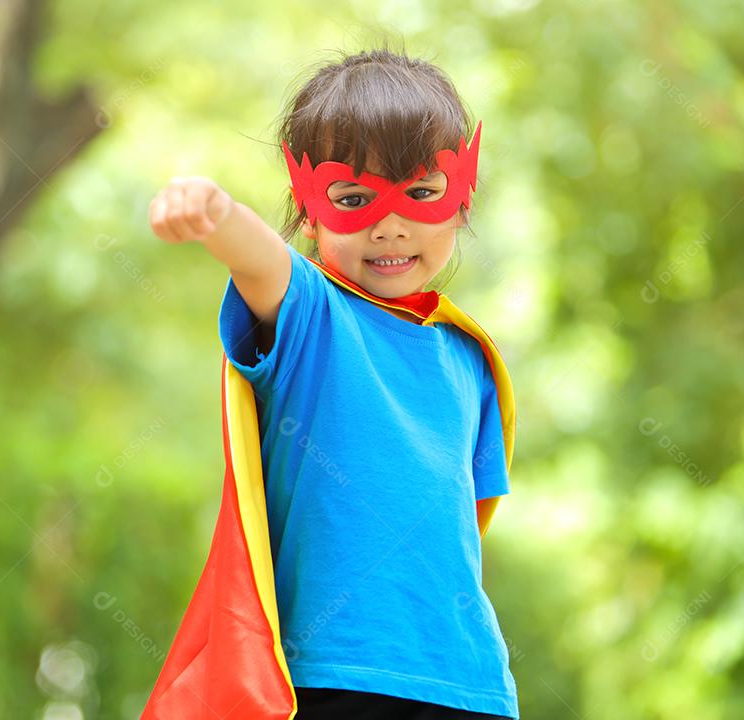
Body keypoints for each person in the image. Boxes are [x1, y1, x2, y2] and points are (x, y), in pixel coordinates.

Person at [146, 46, 519, 720]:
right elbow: (261, 263)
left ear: (462, 199)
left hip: (469, 683)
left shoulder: (471, 359)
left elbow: (459, 536)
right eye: (352, 199)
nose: (390, 226)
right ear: (309, 212)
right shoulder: (314, 317)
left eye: (422, 193)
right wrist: (217, 213)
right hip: (332, 675)